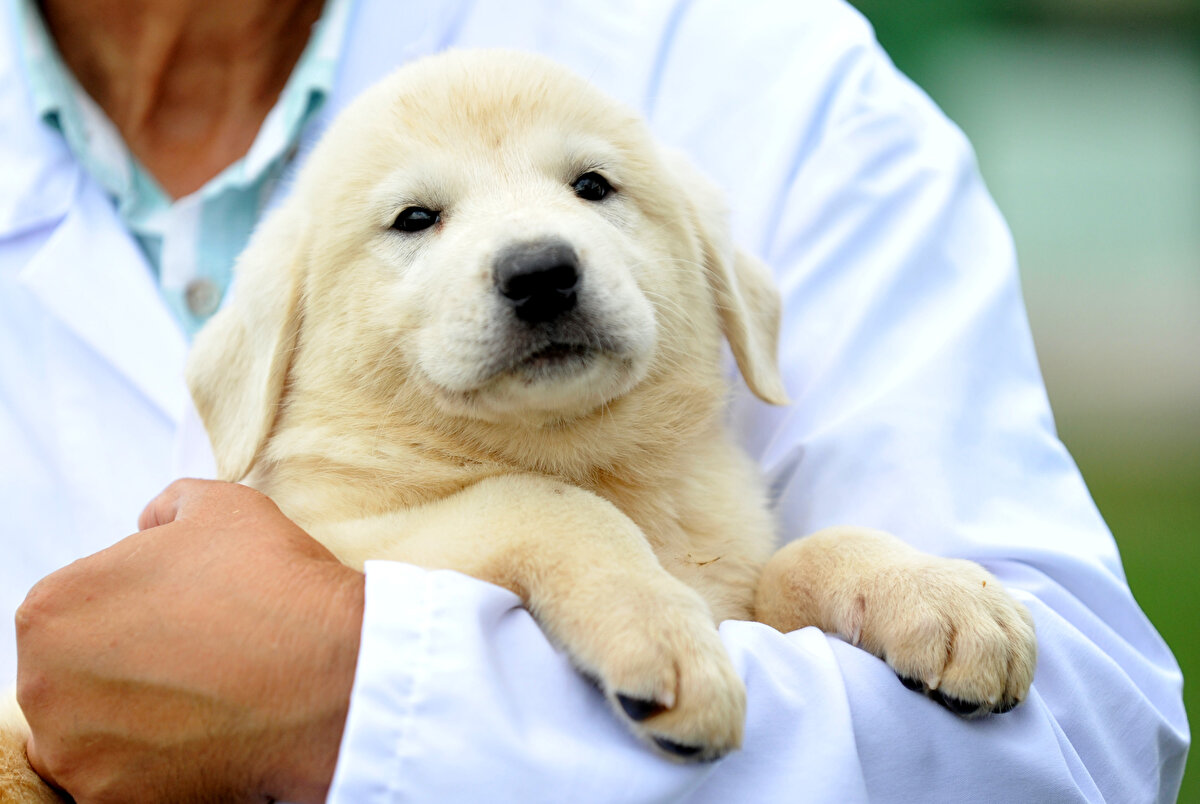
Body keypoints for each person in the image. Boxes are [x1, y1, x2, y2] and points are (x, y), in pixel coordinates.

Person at [0, 0, 1188, 801]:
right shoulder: (314, 395)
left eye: (591, 184)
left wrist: (355, 690)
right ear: (268, 351)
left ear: (723, 290)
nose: (536, 250)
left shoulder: (747, 48)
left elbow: (1084, 737)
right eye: (419, 218)